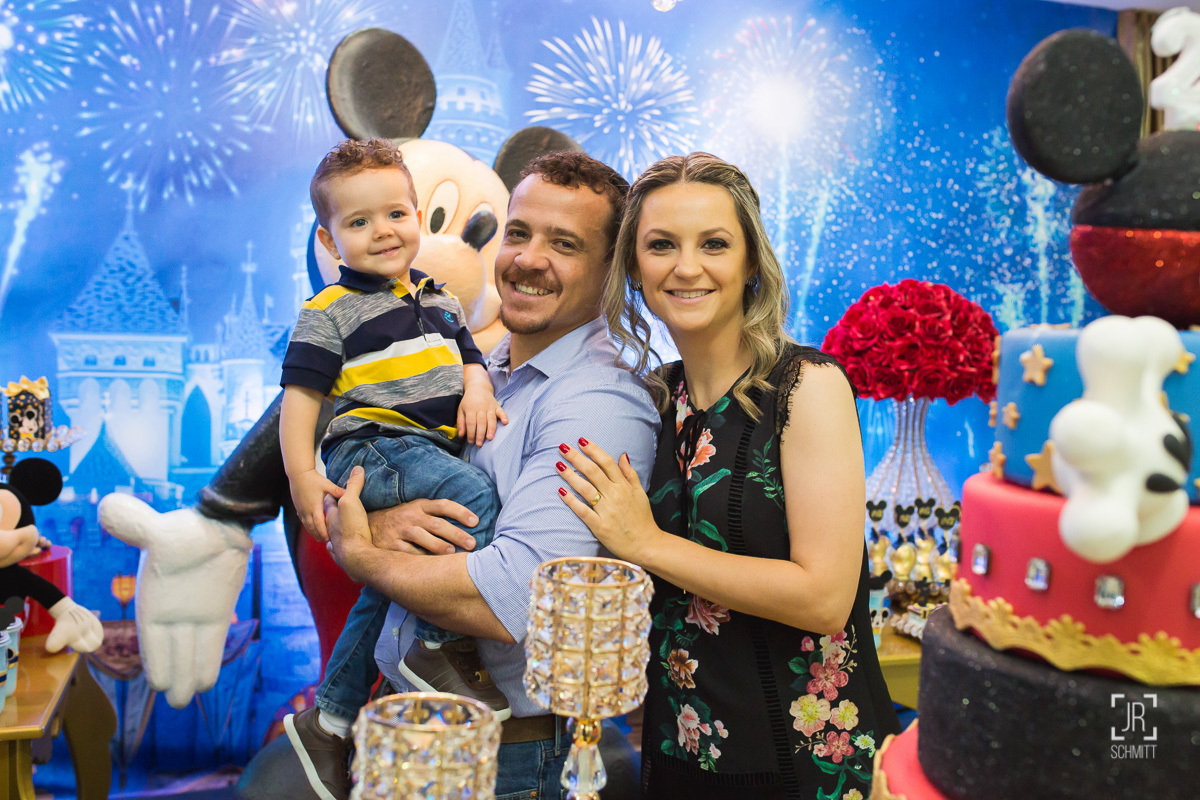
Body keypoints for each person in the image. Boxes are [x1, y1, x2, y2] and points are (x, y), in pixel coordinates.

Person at [552, 152, 901, 799]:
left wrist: (648, 544)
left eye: (713, 243)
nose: (687, 267)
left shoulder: (808, 387)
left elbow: (825, 597)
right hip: (677, 762)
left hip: (811, 768)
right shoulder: (649, 400)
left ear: (750, 263)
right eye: (661, 245)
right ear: (634, 267)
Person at [322, 151, 661, 799]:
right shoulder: (477, 368)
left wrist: (362, 553)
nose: (529, 259)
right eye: (519, 232)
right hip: (415, 728)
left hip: (508, 760)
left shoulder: (599, 401)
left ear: (612, 270)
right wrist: (381, 520)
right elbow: (368, 463)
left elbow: (512, 598)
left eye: (564, 244)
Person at [278, 138, 510, 792]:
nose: (383, 231)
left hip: (424, 452)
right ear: (330, 242)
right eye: (360, 222)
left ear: (415, 215)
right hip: (374, 448)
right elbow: (300, 403)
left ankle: (330, 718)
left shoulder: (440, 298)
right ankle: (435, 646)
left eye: (396, 214)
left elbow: (471, 359)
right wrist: (301, 476)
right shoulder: (329, 311)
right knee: (473, 501)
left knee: (393, 581)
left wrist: (478, 390)